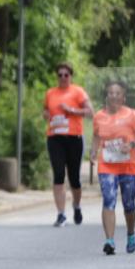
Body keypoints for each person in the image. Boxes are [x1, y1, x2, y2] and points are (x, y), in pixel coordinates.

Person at [90, 81, 135, 255]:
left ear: (123, 97)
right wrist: (93, 153)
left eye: (117, 93)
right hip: (107, 165)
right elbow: (96, 136)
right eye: (111, 93)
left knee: (128, 203)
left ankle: (130, 234)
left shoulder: (133, 115)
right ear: (107, 96)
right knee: (108, 199)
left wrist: (131, 144)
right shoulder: (99, 116)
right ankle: (110, 240)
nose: (114, 96)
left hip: (129, 166)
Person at [42, 63, 93, 227]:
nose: (63, 77)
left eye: (66, 75)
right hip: (55, 138)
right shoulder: (50, 93)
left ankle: (76, 206)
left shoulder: (78, 91)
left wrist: (71, 110)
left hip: (74, 138)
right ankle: (61, 214)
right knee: (58, 174)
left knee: (74, 178)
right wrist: (46, 114)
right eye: (60, 75)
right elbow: (44, 110)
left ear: (71, 76)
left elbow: (90, 112)